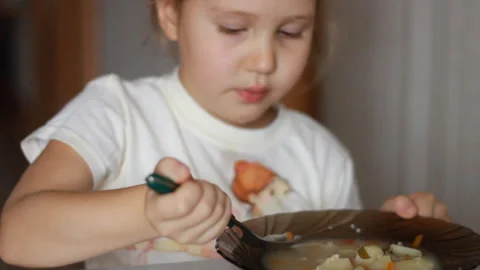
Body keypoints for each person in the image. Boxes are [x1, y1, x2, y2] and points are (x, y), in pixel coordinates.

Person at [0, 0, 451, 269]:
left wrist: (397, 243)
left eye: (291, 32)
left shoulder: (320, 154)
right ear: (171, 14)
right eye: (234, 29)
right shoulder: (116, 113)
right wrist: (147, 212)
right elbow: (17, 235)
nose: (264, 61)